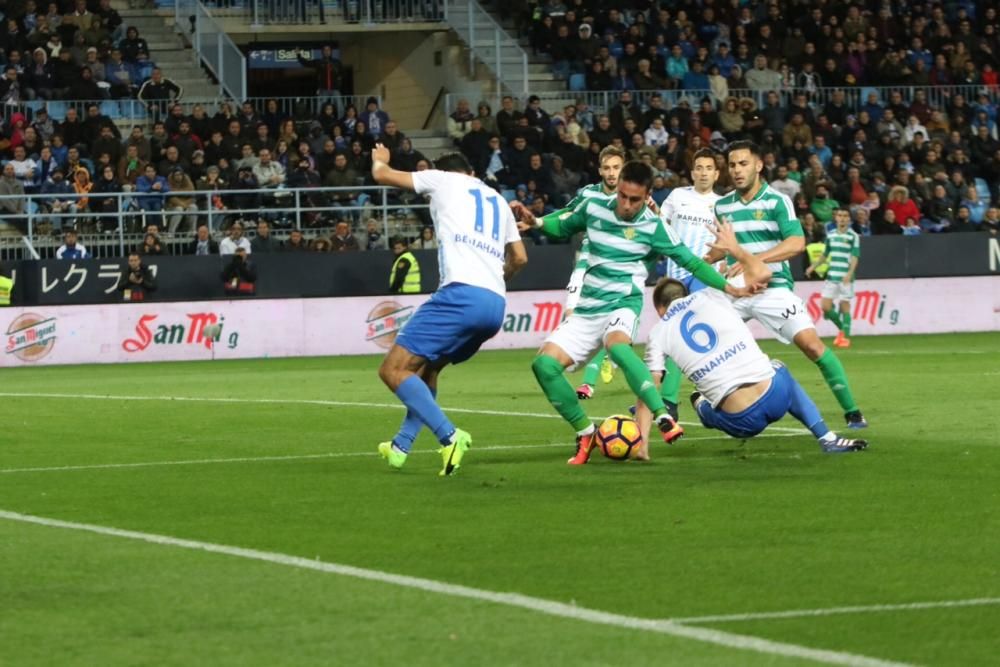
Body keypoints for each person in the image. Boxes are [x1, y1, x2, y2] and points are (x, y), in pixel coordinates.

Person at [515, 161, 761, 465]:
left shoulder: (654, 227)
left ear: (647, 196)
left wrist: (731, 288)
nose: (627, 204)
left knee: (616, 345)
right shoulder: (594, 205)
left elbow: (693, 264)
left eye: (634, 199)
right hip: (588, 308)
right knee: (543, 366)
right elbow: (563, 226)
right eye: (622, 196)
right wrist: (537, 223)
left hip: (622, 302)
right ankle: (585, 432)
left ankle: (662, 416)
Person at [369, 145, 528, 476]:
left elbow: (381, 175)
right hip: (495, 305)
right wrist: (495, 282)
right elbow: (520, 258)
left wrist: (380, 158)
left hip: (460, 295)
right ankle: (400, 446)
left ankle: (450, 436)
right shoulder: (499, 200)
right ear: (471, 172)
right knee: (429, 370)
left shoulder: (442, 180)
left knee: (393, 370)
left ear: (445, 171)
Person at [635, 254, 868, 459]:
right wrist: (734, 249)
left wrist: (642, 444)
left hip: (740, 422)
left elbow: (648, 389)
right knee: (779, 367)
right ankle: (826, 437)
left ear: (659, 309)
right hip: (777, 396)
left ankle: (703, 408)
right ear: (685, 294)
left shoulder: (658, 333)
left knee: (700, 401)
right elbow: (763, 272)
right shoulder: (713, 294)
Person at [706, 141, 867, 429]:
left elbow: (796, 242)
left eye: (743, 163)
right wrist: (711, 258)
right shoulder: (721, 206)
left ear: (758, 165)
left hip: (775, 287)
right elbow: (725, 249)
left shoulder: (777, 201)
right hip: (737, 290)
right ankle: (685, 408)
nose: (737, 170)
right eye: (732, 165)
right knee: (704, 343)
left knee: (813, 347)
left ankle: (852, 411)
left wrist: (752, 259)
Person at [656, 148, 724, 420]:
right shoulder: (677, 197)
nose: (704, 172)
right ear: (693, 171)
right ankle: (708, 393)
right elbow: (660, 227)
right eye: (700, 167)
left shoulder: (722, 204)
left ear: (717, 173)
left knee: (682, 337)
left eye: (709, 167)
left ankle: (669, 401)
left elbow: (727, 241)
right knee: (677, 339)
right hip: (675, 276)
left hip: (705, 275)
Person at [558, 146, 626, 401]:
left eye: (616, 167)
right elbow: (566, 214)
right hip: (586, 263)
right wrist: (540, 222)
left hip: (617, 269)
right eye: (607, 168)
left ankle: (589, 382)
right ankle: (606, 356)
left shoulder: (632, 195)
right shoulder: (587, 194)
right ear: (600, 170)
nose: (611, 173)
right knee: (572, 317)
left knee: (608, 324)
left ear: (623, 168)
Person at [806, 208, 861, 349]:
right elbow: (825, 254)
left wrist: (850, 273)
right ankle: (843, 329)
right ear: (836, 218)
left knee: (844, 306)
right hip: (832, 276)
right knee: (825, 306)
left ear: (849, 219)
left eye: (845, 216)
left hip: (845, 276)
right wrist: (813, 267)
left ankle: (845, 337)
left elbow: (855, 256)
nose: (842, 218)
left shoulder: (853, 236)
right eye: (840, 216)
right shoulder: (830, 235)